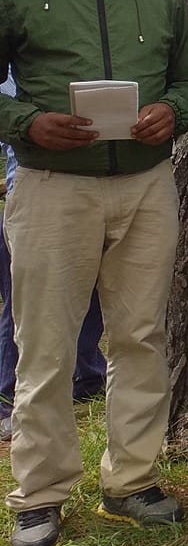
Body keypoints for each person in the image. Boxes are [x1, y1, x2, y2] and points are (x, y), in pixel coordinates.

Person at [1, 0, 188, 546]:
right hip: (53, 187)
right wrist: (27, 123)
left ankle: (132, 480)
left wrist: (171, 113)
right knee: (48, 345)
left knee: (140, 336)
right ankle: (40, 494)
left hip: (148, 184)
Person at [0, 83, 107, 446]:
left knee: (91, 291)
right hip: (32, 189)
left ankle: (88, 374)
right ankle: (8, 398)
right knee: (27, 306)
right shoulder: (19, 65)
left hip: (99, 184)